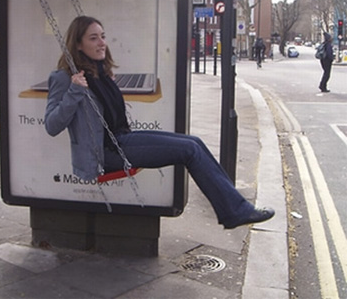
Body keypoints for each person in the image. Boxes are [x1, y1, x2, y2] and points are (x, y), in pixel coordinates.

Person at [44, 16, 274, 229]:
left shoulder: (100, 72)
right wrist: (74, 91)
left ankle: (237, 208)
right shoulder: (64, 79)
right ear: (78, 45)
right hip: (104, 154)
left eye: (103, 36)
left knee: (194, 141)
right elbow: (52, 126)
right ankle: (236, 212)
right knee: (190, 150)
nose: (102, 42)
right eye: (93, 38)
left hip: (122, 139)